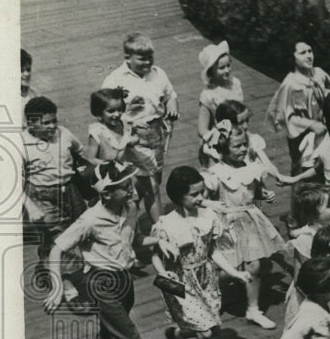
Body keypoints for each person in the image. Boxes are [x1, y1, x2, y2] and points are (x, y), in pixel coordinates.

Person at [42, 162, 156, 339]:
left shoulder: (131, 208)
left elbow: (135, 242)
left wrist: (161, 240)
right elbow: (56, 250)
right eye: (124, 188)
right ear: (105, 194)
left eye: (130, 185)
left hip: (124, 281)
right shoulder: (90, 219)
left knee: (109, 337)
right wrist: (58, 286)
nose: (131, 191)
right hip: (101, 283)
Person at [151, 167, 253, 339]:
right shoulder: (167, 224)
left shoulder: (208, 217)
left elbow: (212, 251)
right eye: (194, 194)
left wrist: (234, 273)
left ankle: (178, 335)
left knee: (211, 327)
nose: (201, 198)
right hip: (181, 283)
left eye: (202, 193)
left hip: (206, 278)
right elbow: (156, 256)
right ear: (179, 196)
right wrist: (162, 272)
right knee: (205, 332)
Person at [202, 126, 288, 330]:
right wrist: (211, 205)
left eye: (244, 145)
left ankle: (253, 309)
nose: (242, 149)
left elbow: (254, 191)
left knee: (254, 266)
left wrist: (263, 195)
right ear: (223, 147)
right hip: (226, 223)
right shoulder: (217, 173)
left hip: (249, 220)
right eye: (236, 146)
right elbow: (200, 199)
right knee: (225, 270)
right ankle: (209, 297)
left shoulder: (252, 167)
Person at [22, 97, 92, 297]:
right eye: (46, 123)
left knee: (79, 228)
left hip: (70, 190)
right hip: (42, 196)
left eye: (54, 120)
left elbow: (80, 154)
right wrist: (30, 206)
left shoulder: (64, 134)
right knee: (58, 236)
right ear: (31, 124)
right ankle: (67, 283)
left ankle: (50, 264)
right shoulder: (22, 144)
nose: (52, 126)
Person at [101, 33, 178, 188]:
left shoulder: (158, 73)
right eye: (142, 59)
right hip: (132, 135)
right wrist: (128, 117)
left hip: (156, 132)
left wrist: (171, 104)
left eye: (150, 57)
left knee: (156, 177)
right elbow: (105, 112)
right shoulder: (116, 80)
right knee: (145, 183)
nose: (148, 62)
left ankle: (142, 198)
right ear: (128, 57)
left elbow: (170, 94)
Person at [87, 88, 162, 223]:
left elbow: (132, 137)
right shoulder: (98, 131)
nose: (117, 114)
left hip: (130, 163)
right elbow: (90, 158)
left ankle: (159, 226)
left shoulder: (123, 121)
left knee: (152, 188)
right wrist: (108, 165)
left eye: (119, 109)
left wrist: (141, 140)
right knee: (119, 207)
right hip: (112, 175)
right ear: (99, 113)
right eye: (111, 111)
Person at [265, 41, 330, 174]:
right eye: (302, 53)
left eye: (310, 51)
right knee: (302, 165)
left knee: (323, 163)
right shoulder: (291, 84)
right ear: (293, 57)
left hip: (322, 128)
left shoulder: (319, 73)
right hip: (301, 132)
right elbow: (285, 117)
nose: (308, 56)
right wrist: (311, 124)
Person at [197, 40, 244, 147]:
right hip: (220, 140)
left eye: (228, 65)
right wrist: (217, 140)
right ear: (211, 71)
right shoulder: (208, 95)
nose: (227, 70)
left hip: (239, 135)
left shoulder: (235, 84)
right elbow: (201, 129)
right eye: (221, 68)